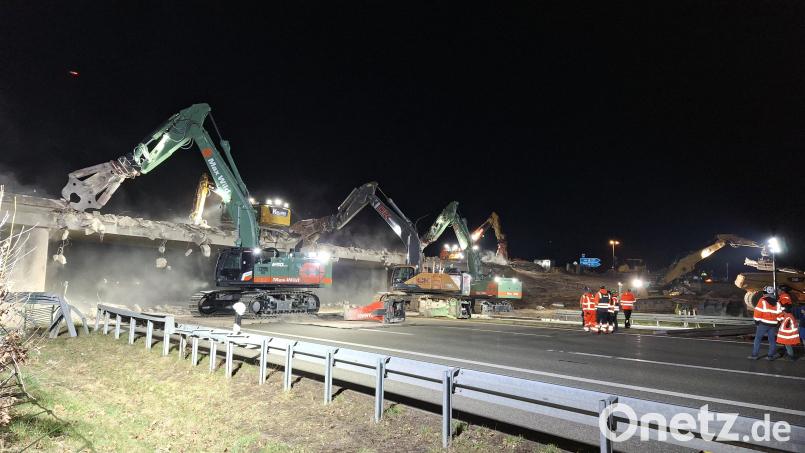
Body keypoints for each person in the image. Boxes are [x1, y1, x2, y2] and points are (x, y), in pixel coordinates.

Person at [749, 289, 783, 360]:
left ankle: (754, 355)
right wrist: (778, 321)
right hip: (773, 324)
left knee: (758, 339)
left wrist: (756, 321)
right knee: (772, 340)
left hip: (763, 324)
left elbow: (758, 311)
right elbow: (780, 314)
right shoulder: (777, 302)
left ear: (765, 293)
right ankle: (770, 356)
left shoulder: (762, 300)